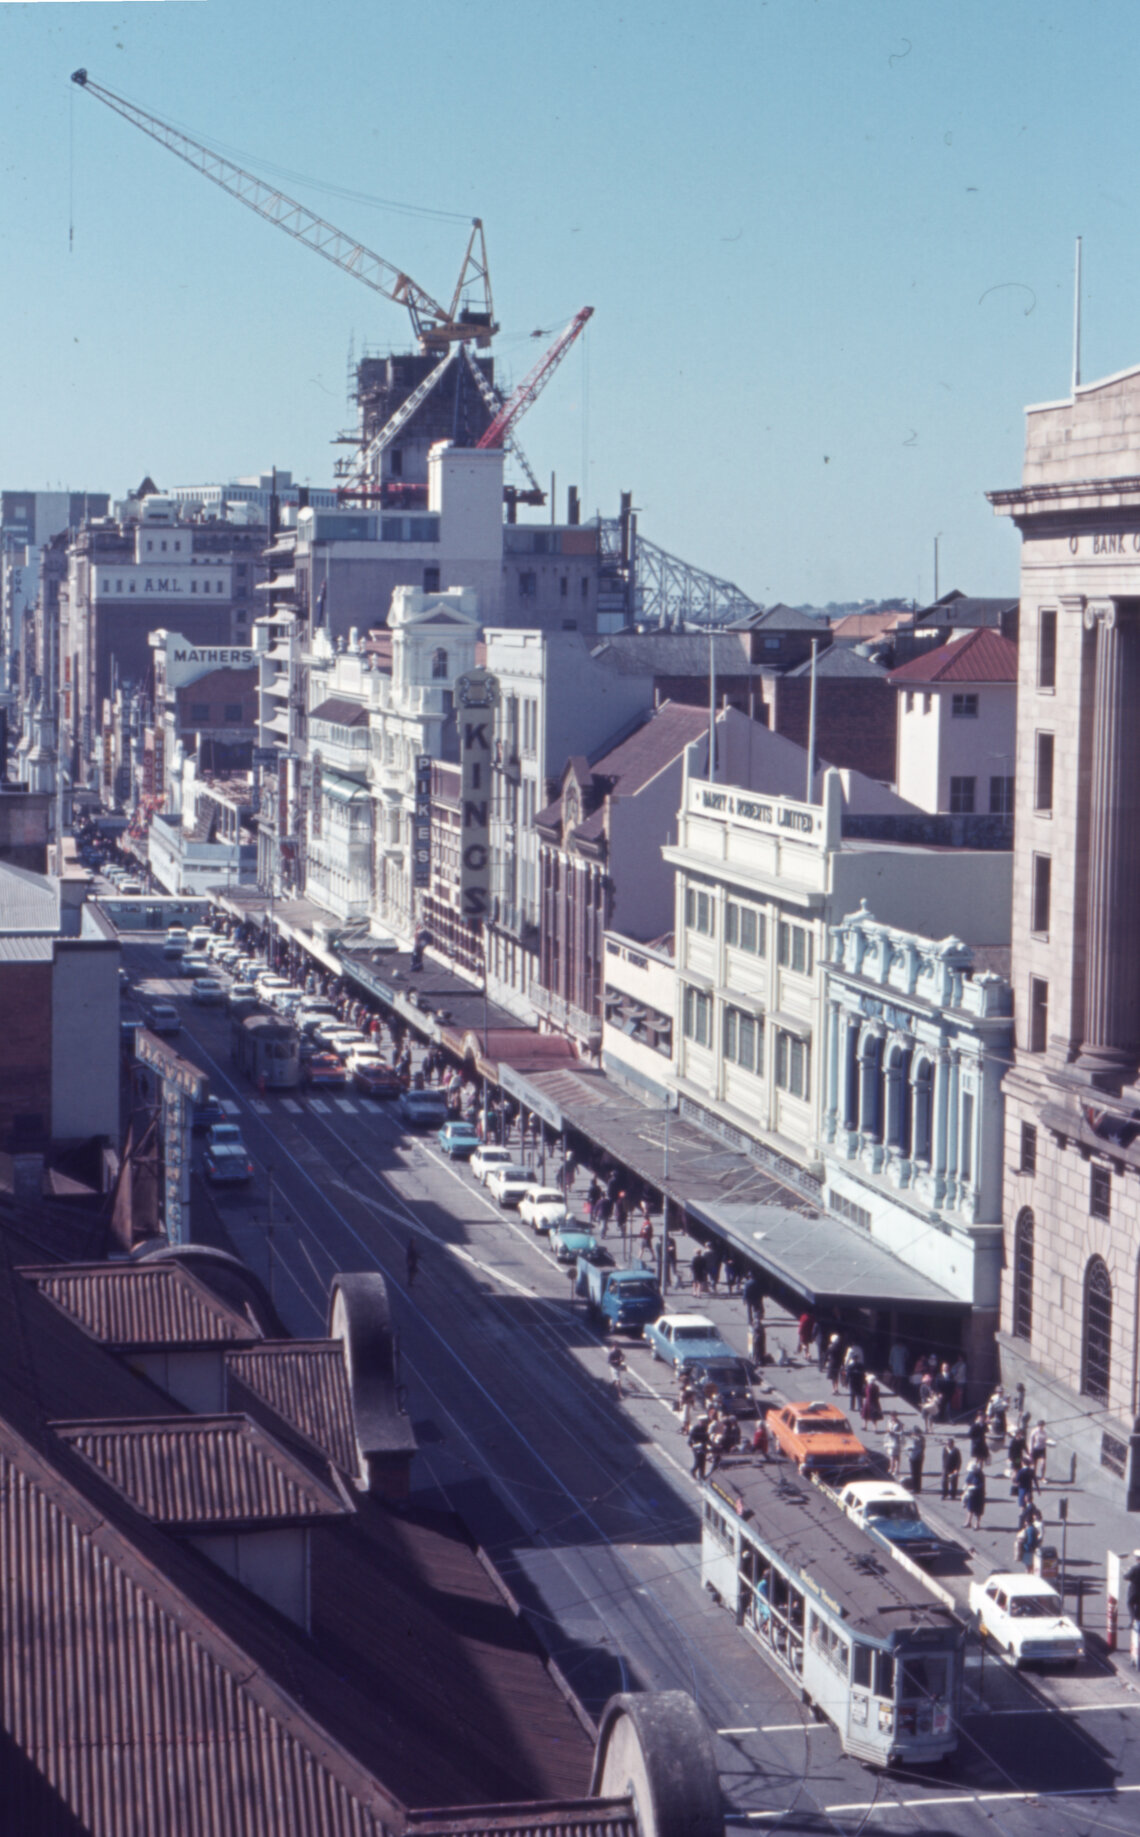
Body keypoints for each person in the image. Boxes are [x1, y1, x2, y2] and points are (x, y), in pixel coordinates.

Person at [1015, 1503, 1043, 1569]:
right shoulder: (1032, 1528)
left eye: (1025, 1522)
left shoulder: (1030, 1530)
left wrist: (1023, 1544)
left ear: (1027, 1522)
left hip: (1028, 1551)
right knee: (1031, 1566)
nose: (1024, 1523)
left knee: (1029, 1567)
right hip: (1032, 1550)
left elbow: (1030, 1542)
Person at [963, 1458, 986, 1530]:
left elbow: (981, 1485)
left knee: (978, 1511)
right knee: (970, 1508)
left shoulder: (980, 1474)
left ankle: (977, 1524)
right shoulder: (971, 1473)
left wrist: (973, 1487)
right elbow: (967, 1480)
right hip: (971, 1494)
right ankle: (968, 1522)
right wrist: (966, 1486)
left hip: (979, 1495)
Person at [689, 1413, 711, 1480]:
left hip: (703, 1447)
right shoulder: (695, 1428)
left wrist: (710, 1444)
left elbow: (707, 1438)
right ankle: (693, 1471)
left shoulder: (705, 1428)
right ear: (700, 1421)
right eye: (703, 1422)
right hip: (697, 1447)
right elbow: (690, 1440)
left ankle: (701, 1476)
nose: (705, 1423)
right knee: (698, 1462)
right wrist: (692, 1446)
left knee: (703, 1462)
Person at [845, 1346, 867, 1412]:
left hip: (852, 1382)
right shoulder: (861, 1366)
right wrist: (864, 1382)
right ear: (857, 1359)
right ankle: (860, 1406)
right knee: (859, 1394)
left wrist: (846, 1382)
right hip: (859, 1381)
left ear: (852, 1359)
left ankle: (852, 1407)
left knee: (852, 1394)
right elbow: (863, 1374)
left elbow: (848, 1375)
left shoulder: (850, 1366)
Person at [906, 1427, 926, 1494]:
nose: (913, 1433)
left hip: (919, 1457)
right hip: (912, 1456)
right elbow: (907, 1447)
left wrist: (915, 1438)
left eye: (914, 1432)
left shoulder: (921, 1438)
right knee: (913, 1473)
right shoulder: (911, 1438)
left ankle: (918, 1488)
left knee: (918, 1472)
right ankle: (915, 1487)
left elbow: (921, 1445)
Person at [884, 1414, 903, 1479]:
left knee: (896, 1456)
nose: (892, 1417)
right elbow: (887, 1429)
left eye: (893, 1416)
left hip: (896, 1440)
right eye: (891, 1416)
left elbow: (901, 1432)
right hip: (890, 1439)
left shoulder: (899, 1423)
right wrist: (888, 1431)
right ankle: (891, 1468)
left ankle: (896, 1469)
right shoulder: (889, 1421)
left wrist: (894, 1433)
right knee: (891, 1455)